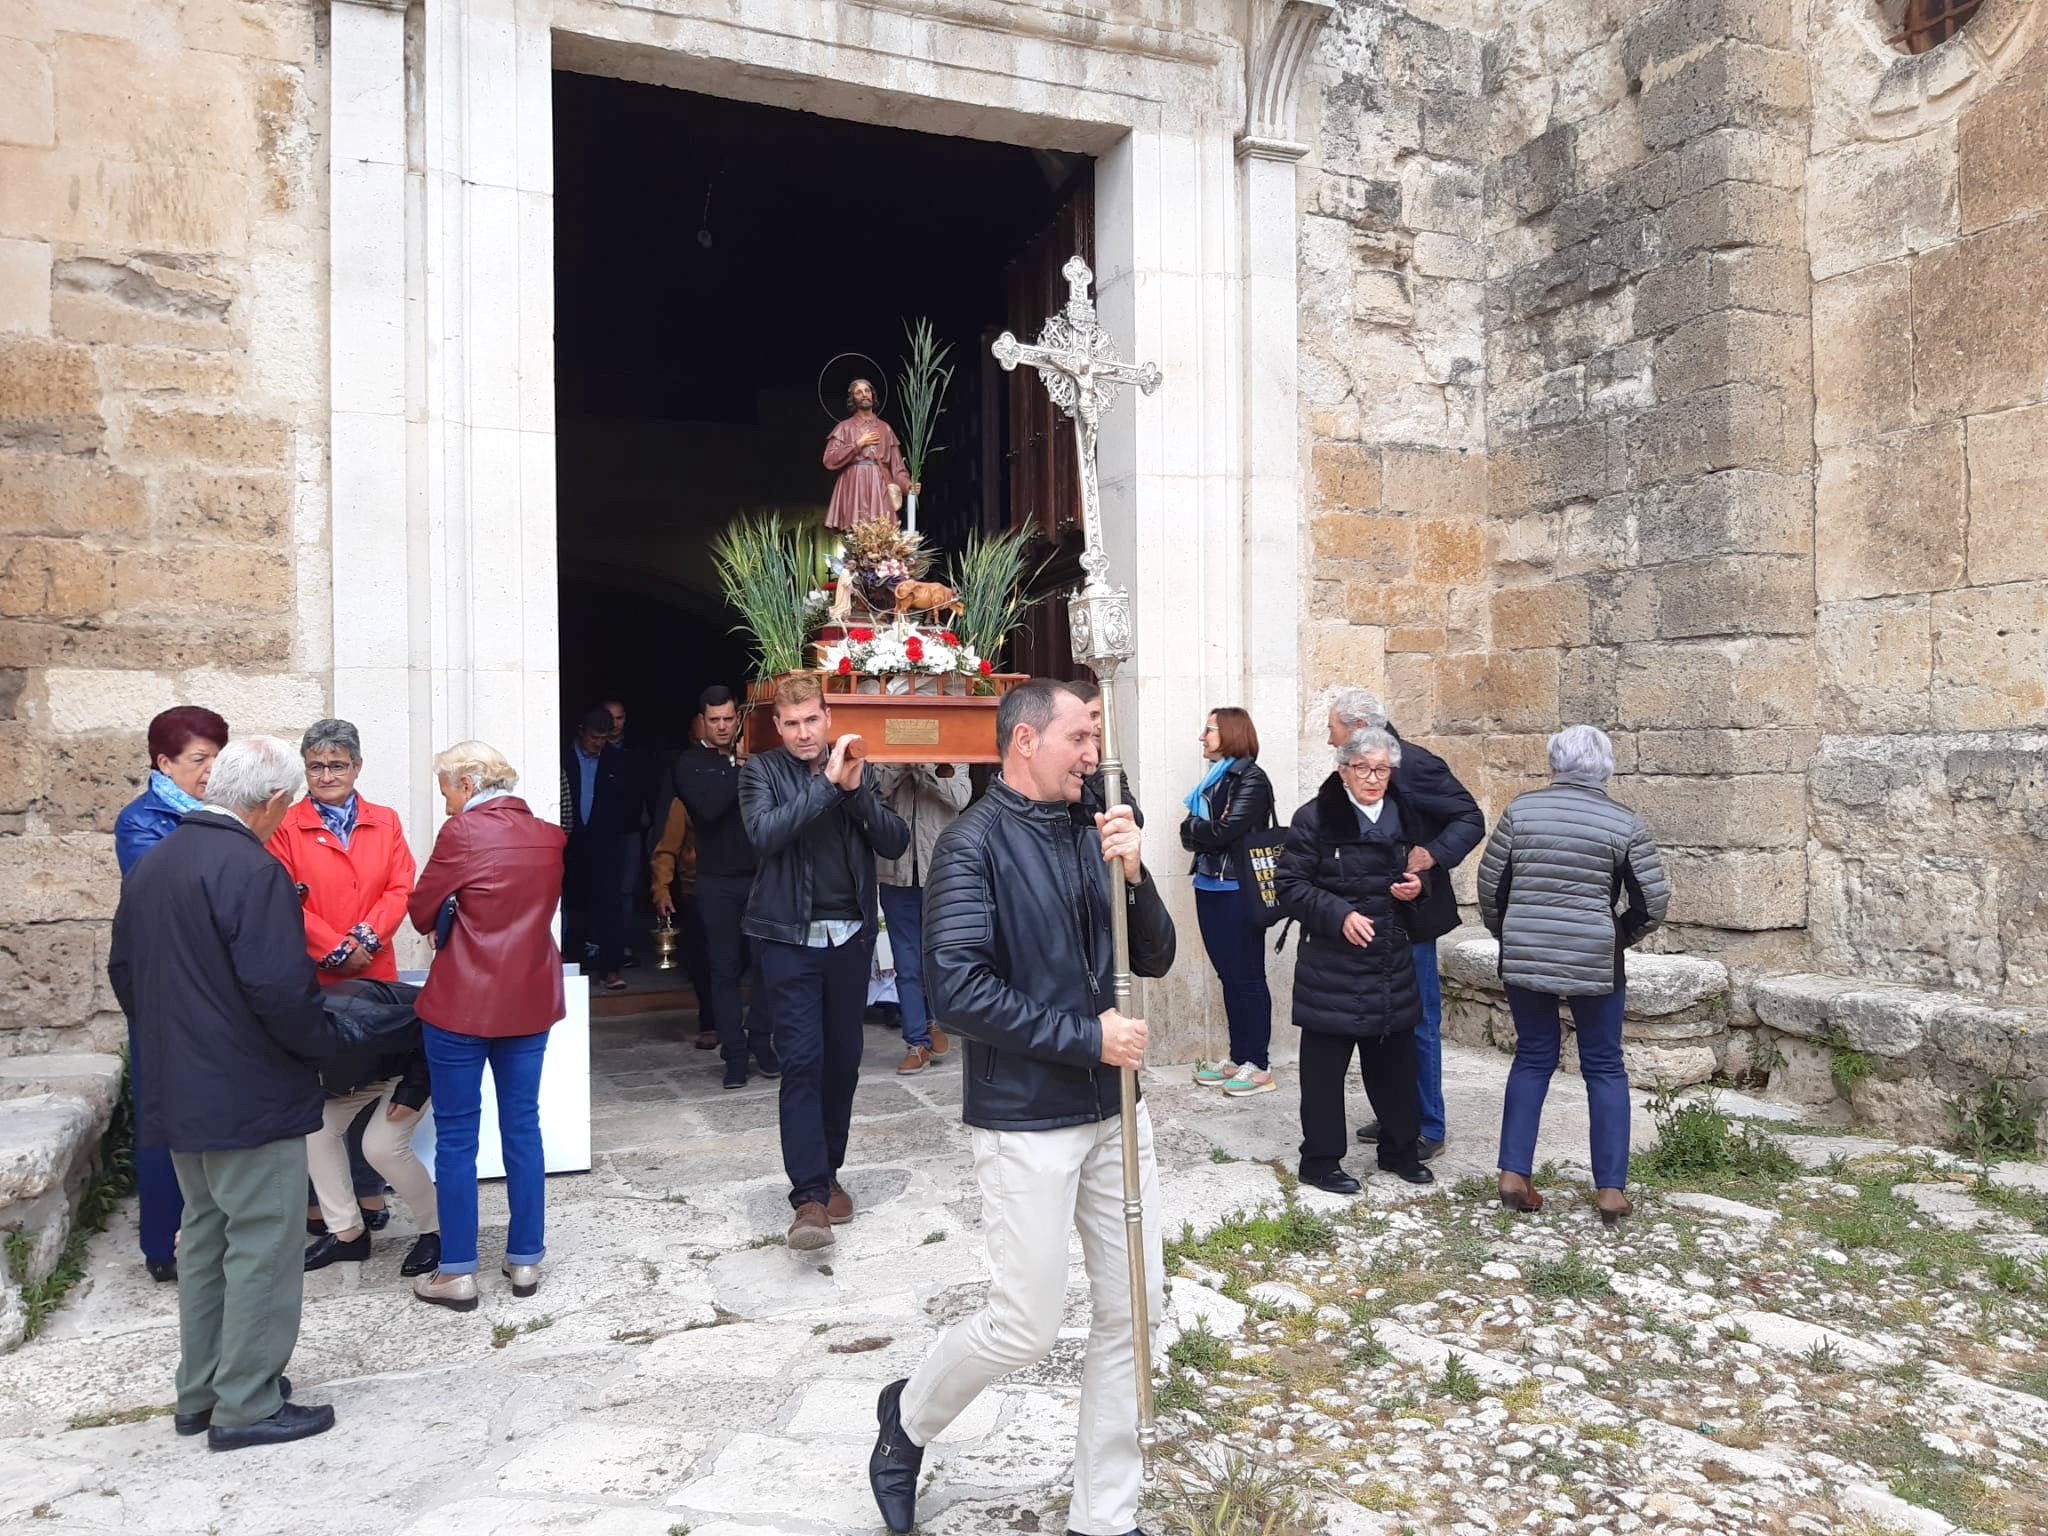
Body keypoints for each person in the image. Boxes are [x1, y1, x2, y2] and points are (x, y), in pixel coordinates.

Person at [867, 679, 1173, 1536]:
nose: (1096, 755)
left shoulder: (1096, 826)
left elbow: (1154, 955)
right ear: (1027, 741)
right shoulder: (972, 846)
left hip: (1116, 1109)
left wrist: (1136, 871)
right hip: (1027, 1117)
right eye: (1081, 737)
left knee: (1132, 1312)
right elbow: (958, 992)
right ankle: (910, 1418)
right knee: (1026, 1325)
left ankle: (1102, 1519)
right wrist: (1089, 1037)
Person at [107, 736, 352, 1451]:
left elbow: (126, 973)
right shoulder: (252, 869)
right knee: (263, 1243)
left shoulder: (157, 862)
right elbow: (281, 990)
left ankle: (202, 1390)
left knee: (208, 1237)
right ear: (274, 801)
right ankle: (245, 1402)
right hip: (248, 1091)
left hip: (182, 1085)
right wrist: (324, 1049)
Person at [738, 675, 908, 1248]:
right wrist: (829, 786)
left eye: (812, 720)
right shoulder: (760, 772)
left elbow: (894, 842)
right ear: (777, 726)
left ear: (827, 716)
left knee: (844, 1062)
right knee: (802, 1063)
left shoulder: (859, 769)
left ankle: (829, 1171)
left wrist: (855, 788)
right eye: (791, 724)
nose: (804, 733)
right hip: (787, 940)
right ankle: (808, 1198)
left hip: (850, 938)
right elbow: (765, 834)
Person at [1478, 725, 1669, 1226]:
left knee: (1533, 1057)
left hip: (1526, 955)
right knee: (1604, 1066)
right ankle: (1610, 1190)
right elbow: (1652, 902)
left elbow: (1490, 887)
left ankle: (1514, 1174)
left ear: (1554, 764)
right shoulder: (1623, 822)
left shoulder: (1521, 811)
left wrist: (1512, 934)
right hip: (1595, 958)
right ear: (1606, 767)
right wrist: (1616, 935)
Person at [408, 741, 567, 1309]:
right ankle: (525, 1259)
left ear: (469, 783)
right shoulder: (550, 835)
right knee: (524, 1127)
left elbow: (422, 909)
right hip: (528, 997)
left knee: (457, 1137)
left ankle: (457, 1271)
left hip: (463, 1002)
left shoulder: (464, 834)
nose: (447, 803)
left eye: (447, 789)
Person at [266, 718, 419, 1260]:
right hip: (318, 975)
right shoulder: (287, 824)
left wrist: (366, 939)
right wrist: (334, 947)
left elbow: (401, 885)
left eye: (338, 764)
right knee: (323, 1090)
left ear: (357, 767)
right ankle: (326, 1207)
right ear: (304, 769)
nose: (327, 774)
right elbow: (283, 895)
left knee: (372, 1081)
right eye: (316, 766)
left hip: (374, 973)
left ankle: (371, 1191)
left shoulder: (386, 821)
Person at [1276, 729, 1434, 1195]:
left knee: (1396, 1065)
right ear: (1343, 770)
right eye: (1363, 769)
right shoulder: (1314, 818)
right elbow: (1289, 886)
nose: (1372, 779)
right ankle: (1320, 1161)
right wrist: (1339, 913)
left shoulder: (1404, 814)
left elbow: (1425, 877)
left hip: (1389, 959)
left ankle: (1400, 1150)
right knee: (1324, 1073)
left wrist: (1416, 890)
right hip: (1332, 965)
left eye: (1382, 770)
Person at [1328, 688, 1483, 1160]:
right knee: (1382, 1019)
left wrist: (1433, 855)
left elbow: (1469, 817)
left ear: (1357, 728)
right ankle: (1398, 1113)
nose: (1327, 737)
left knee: (1418, 1021)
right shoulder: (1354, 769)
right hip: (1371, 916)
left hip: (1412, 917)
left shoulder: (1415, 764)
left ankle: (1428, 1125)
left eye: (1331, 728)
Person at [113, 704, 230, 1284]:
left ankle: (212, 1232)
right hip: (163, 983)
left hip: (213, 984)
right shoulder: (142, 821)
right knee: (162, 1111)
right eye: (197, 759)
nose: (209, 770)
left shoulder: (219, 813)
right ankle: (164, 1241)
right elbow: (179, 894)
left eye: (216, 758)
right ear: (164, 763)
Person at [671, 685, 773, 1085]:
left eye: (729, 719)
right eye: (715, 720)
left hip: (760, 876)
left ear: (738, 718)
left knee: (766, 967)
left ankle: (762, 1044)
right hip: (715, 882)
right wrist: (742, 767)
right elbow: (709, 807)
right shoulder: (689, 763)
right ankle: (733, 1054)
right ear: (702, 722)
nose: (723, 727)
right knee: (724, 969)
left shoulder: (753, 759)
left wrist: (743, 764)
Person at [1179, 707, 1277, 1097]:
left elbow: (1223, 830)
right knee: (1229, 975)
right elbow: (1189, 833)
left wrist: (1199, 829)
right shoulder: (1214, 780)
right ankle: (1239, 1058)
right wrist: (1201, 830)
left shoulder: (1251, 779)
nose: (1203, 736)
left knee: (1249, 976)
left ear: (1232, 733)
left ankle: (1259, 1065)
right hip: (1209, 885)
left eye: (1210, 729)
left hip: (1238, 889)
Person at [870, 761, 969, 1074]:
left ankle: (933, 1020)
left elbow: (960, 797)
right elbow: (873, 792)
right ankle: (916, 1041)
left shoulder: (953, 752)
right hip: (895, 873)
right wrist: (900, 767)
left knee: (937, 957)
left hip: (939, 873)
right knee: (906, 963)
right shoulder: (886, 753)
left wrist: (927, 769)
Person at [560, 704, 639, 991]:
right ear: (582, 732)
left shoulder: (617, 761)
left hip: (607, 844)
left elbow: (628, 803)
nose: (599, 743)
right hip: (570, 842)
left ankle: (611, 969)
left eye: (604, 738)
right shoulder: (562, 757)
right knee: (572, 907)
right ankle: (572, 967)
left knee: (610, 906)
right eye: (594, 737)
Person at [822, 377, 913, 531]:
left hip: (880, 484)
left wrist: (907, 485)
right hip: (854, 484)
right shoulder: (844, 427)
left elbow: (897, 467)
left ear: (872, 394)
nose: (864, 395)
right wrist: (858, 444)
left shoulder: (885, 428)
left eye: (867, 390)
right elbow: (829, 459)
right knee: (857, 535)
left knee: (883, 533)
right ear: (853, 399)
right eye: (858, 392)